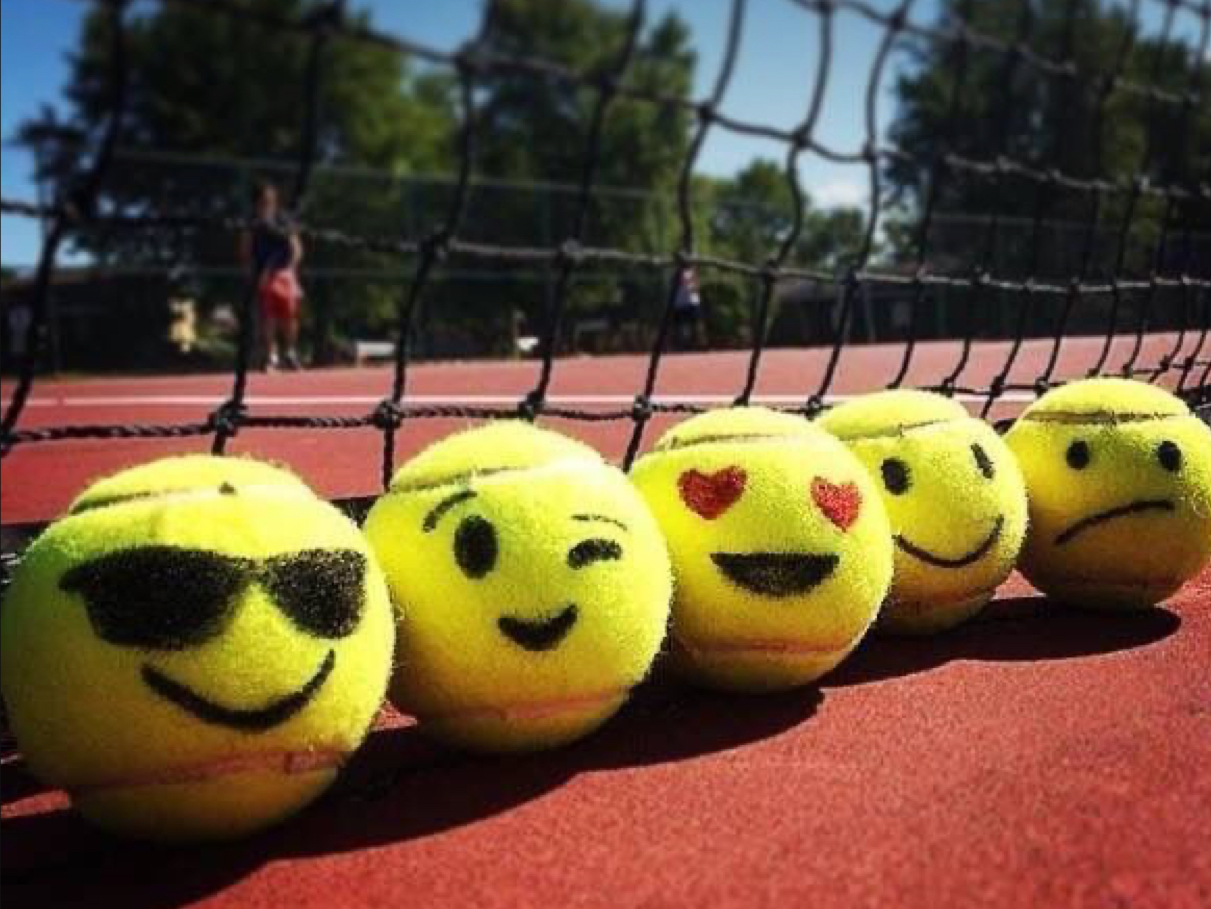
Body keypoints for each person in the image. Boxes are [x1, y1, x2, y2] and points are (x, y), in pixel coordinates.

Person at [240, 182, 304, 370]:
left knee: (290, 315)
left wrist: (291, 270)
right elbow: (245, 249)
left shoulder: (284, 219)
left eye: (271, 198)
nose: (269, 201)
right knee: (268, 317)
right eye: (264, 199)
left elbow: (296, 247)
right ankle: (271, 357)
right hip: (263, 275)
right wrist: (252, 273)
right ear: (257, 201)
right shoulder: (252, 222)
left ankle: (290, 353)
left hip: (284, 273)